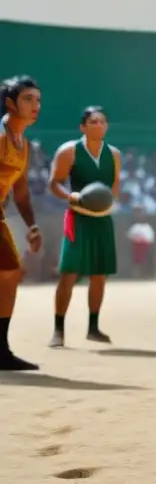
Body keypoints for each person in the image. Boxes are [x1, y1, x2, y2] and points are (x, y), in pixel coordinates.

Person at [47, 106, 121, 348]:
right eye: (93, 121)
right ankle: (58, 330)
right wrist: (72, 197)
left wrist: (108, 203)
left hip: (102, 219)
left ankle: (93, 327)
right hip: (77, 217)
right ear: (83, 126)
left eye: (102, 121)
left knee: (100, 275)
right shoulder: (69, 151)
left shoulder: (114, 155)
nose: (98, 125)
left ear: (107, 126)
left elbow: (115, 186)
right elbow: (54, 183)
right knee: (68, 273)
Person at [0, 76, 43, 371]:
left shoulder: (23, 145)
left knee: (10, 274)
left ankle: (1, 351)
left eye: (38, 100)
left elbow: (22, 193)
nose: (35, 105)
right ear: (10, 103)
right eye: (28, 99)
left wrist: (32, 226)